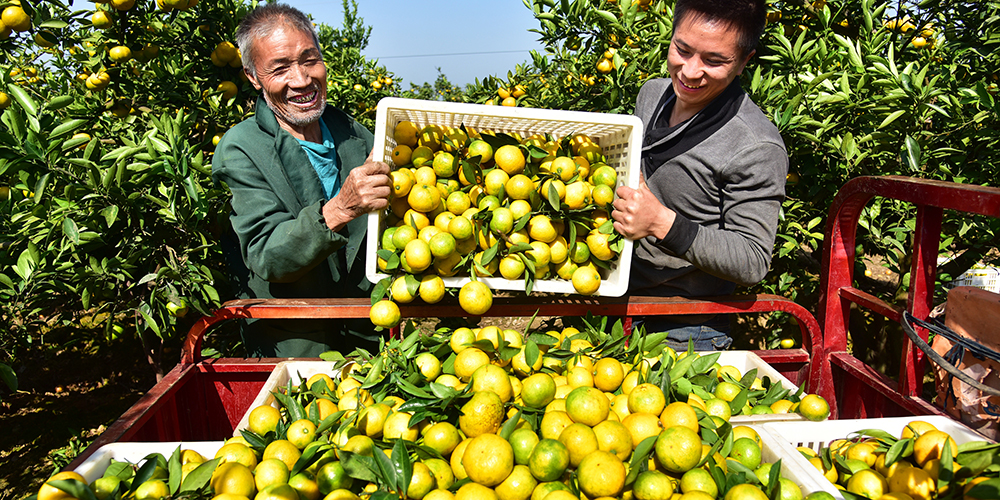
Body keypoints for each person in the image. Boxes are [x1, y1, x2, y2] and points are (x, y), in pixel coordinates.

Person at [213, 4, 391, 358]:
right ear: (252, 77)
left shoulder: (355, 133)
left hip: (372, 339)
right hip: (295, 346)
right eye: (280, 68)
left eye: (309, 60)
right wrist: (340, 209)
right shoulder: (242, 149)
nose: (301, 79)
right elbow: (267, 255)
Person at [611, 0, 787, 351]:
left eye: (714, 60)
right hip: (616, 301)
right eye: (682, 49)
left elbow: (752, 259)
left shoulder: (755, 146)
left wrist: (662, 222)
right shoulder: (652, 94)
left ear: (743, 62)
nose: (690, 72)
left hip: (686, 327)